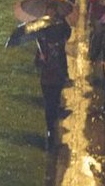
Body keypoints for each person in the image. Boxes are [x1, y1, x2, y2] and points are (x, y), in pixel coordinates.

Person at [35, 16, 71, 149]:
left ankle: (52, 128)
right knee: (48, 105)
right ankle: (50, 128)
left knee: (54, 103)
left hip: (57, 79)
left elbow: (63, 62)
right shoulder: (42, 47)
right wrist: (40, 58)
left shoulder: (59, 47)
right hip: (46, 80)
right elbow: (37, 63)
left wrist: (64, 76)